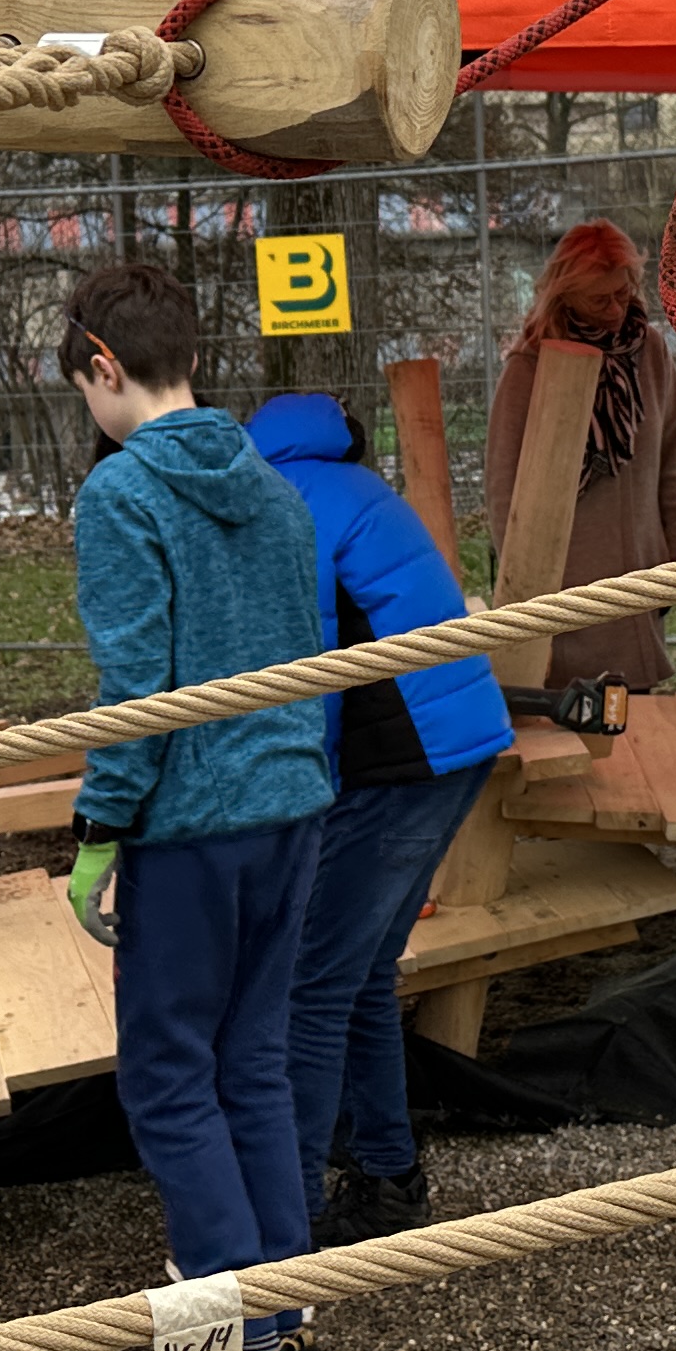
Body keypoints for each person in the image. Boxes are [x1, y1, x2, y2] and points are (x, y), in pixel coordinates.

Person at [57, 262, 343, 1351]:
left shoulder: (121, 494)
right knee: (253, 1066)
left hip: (191, 820)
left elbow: (138, 685)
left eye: (82, 387)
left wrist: (98, 830)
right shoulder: (275, 487)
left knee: (170, 1081)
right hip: (293, 802)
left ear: (103, 368)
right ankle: (287, 1318)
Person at [243, 389, 510, 1243]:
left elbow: (311, 682)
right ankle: (389, 1179)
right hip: (453, 746)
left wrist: (300, 805)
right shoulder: (355, 486)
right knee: (358, 979)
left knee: (310, 986)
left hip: (401, 761)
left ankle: (288, 1221)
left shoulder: (288, 506)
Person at [482, 221, 676, 689]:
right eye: (599, 300)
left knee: (638, 715)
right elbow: (502, 491)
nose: (616, 310)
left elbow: (672, 463)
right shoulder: (528, 368)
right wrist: (528, 587)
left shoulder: (649, 351)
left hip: (642, 577)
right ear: (565, 296)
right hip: (565, 589)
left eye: (623, 293)